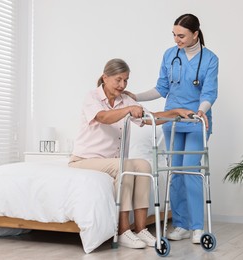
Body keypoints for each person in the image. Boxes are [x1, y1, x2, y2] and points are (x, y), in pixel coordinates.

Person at [68, 58, 197, 249]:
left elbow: (150, 119)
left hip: (111, 161)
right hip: (84, 160)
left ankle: (141, 229)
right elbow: (104, 117)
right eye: (118, 80)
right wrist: (128, 109)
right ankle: (123, 231)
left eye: (126, 81)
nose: (122, 85)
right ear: (105, 77)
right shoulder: (92, 97)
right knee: (126, 165)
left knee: (144, 165)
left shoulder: (125, 100)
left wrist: (175, 112)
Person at [125, 14, 219, 244]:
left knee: (191, 171)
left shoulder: (210, 59)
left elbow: (209, 93)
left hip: (196, 121)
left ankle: (197, 227)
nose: (177, 39)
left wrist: (201, 111)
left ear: (195, 34)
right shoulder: (170, 55)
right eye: (174, 35)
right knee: (175, 171)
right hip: (172, 121)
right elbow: (161, 88)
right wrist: (136, 96)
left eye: (182, 35)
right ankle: (181, 224)